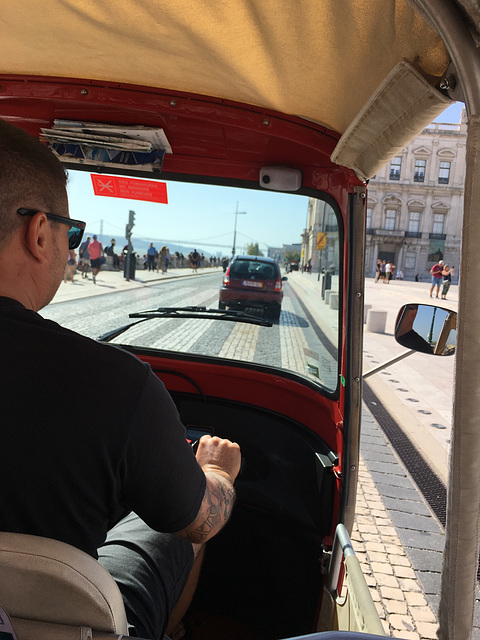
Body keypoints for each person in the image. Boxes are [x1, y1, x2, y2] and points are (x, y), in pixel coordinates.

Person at [0, 121, 241, 640]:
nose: (70, 249)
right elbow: (198, 520)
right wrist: (217, 473)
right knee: (173, 527)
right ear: (39, 234)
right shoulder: (117, 386)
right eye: (73, 234)